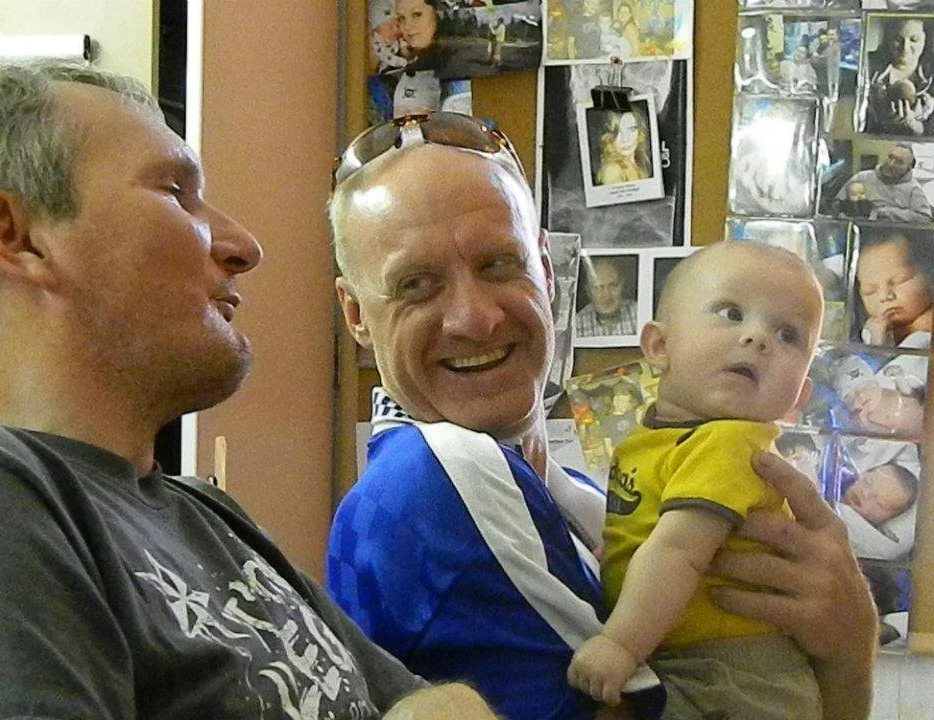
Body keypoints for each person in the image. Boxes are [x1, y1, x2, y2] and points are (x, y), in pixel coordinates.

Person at [0, 62, 498, 720]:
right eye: (174, 192)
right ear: (16, 236)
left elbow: (435, 706)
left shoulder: (206, 515)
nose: (243, 246)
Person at [326, 112, 879, 720]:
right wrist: (849, 660)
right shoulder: (435, 482)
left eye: (497, 265)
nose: (475, 319)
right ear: (355, 314)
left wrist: (848, 646)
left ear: (549, 271)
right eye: (416, 284)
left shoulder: (587, 501)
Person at [568, 242, 825, 717]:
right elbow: (644, 534)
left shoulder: (728, 442)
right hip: (692, 656)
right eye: (732, 313)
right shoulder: (651, 441)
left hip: (738, 676)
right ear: (660, 346)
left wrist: (620, 644)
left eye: (788, 335)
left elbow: (679, 550)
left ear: (799, 397)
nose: (758, 338)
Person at [866, 17, 934, 136]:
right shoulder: (867, 65)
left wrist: (914, 125)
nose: (905, 48)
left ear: (926, 40)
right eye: (898, 39)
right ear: (887, 39)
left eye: (914, 40)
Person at [832, 144, 933, 223]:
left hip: (895, 240)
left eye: (899, 162)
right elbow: (836, 205)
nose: (891, 164)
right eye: (890, 157)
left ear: (909, 167)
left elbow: (924, 217)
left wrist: (882, 213)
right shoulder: (862, 177)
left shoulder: (913, 189)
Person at [575, 256, 638, 338]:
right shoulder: (578, 323)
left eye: (613, 286)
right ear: (588, 291)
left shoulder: (637, 313)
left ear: (622, 285)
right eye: (598, 287)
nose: (607, 296)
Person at [594, 108, 653, 186]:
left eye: (632, 129)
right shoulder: (613, 170)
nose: (625, 139)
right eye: (618, 132)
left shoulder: (640, 161)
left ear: (640, 131)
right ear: (609, 136)